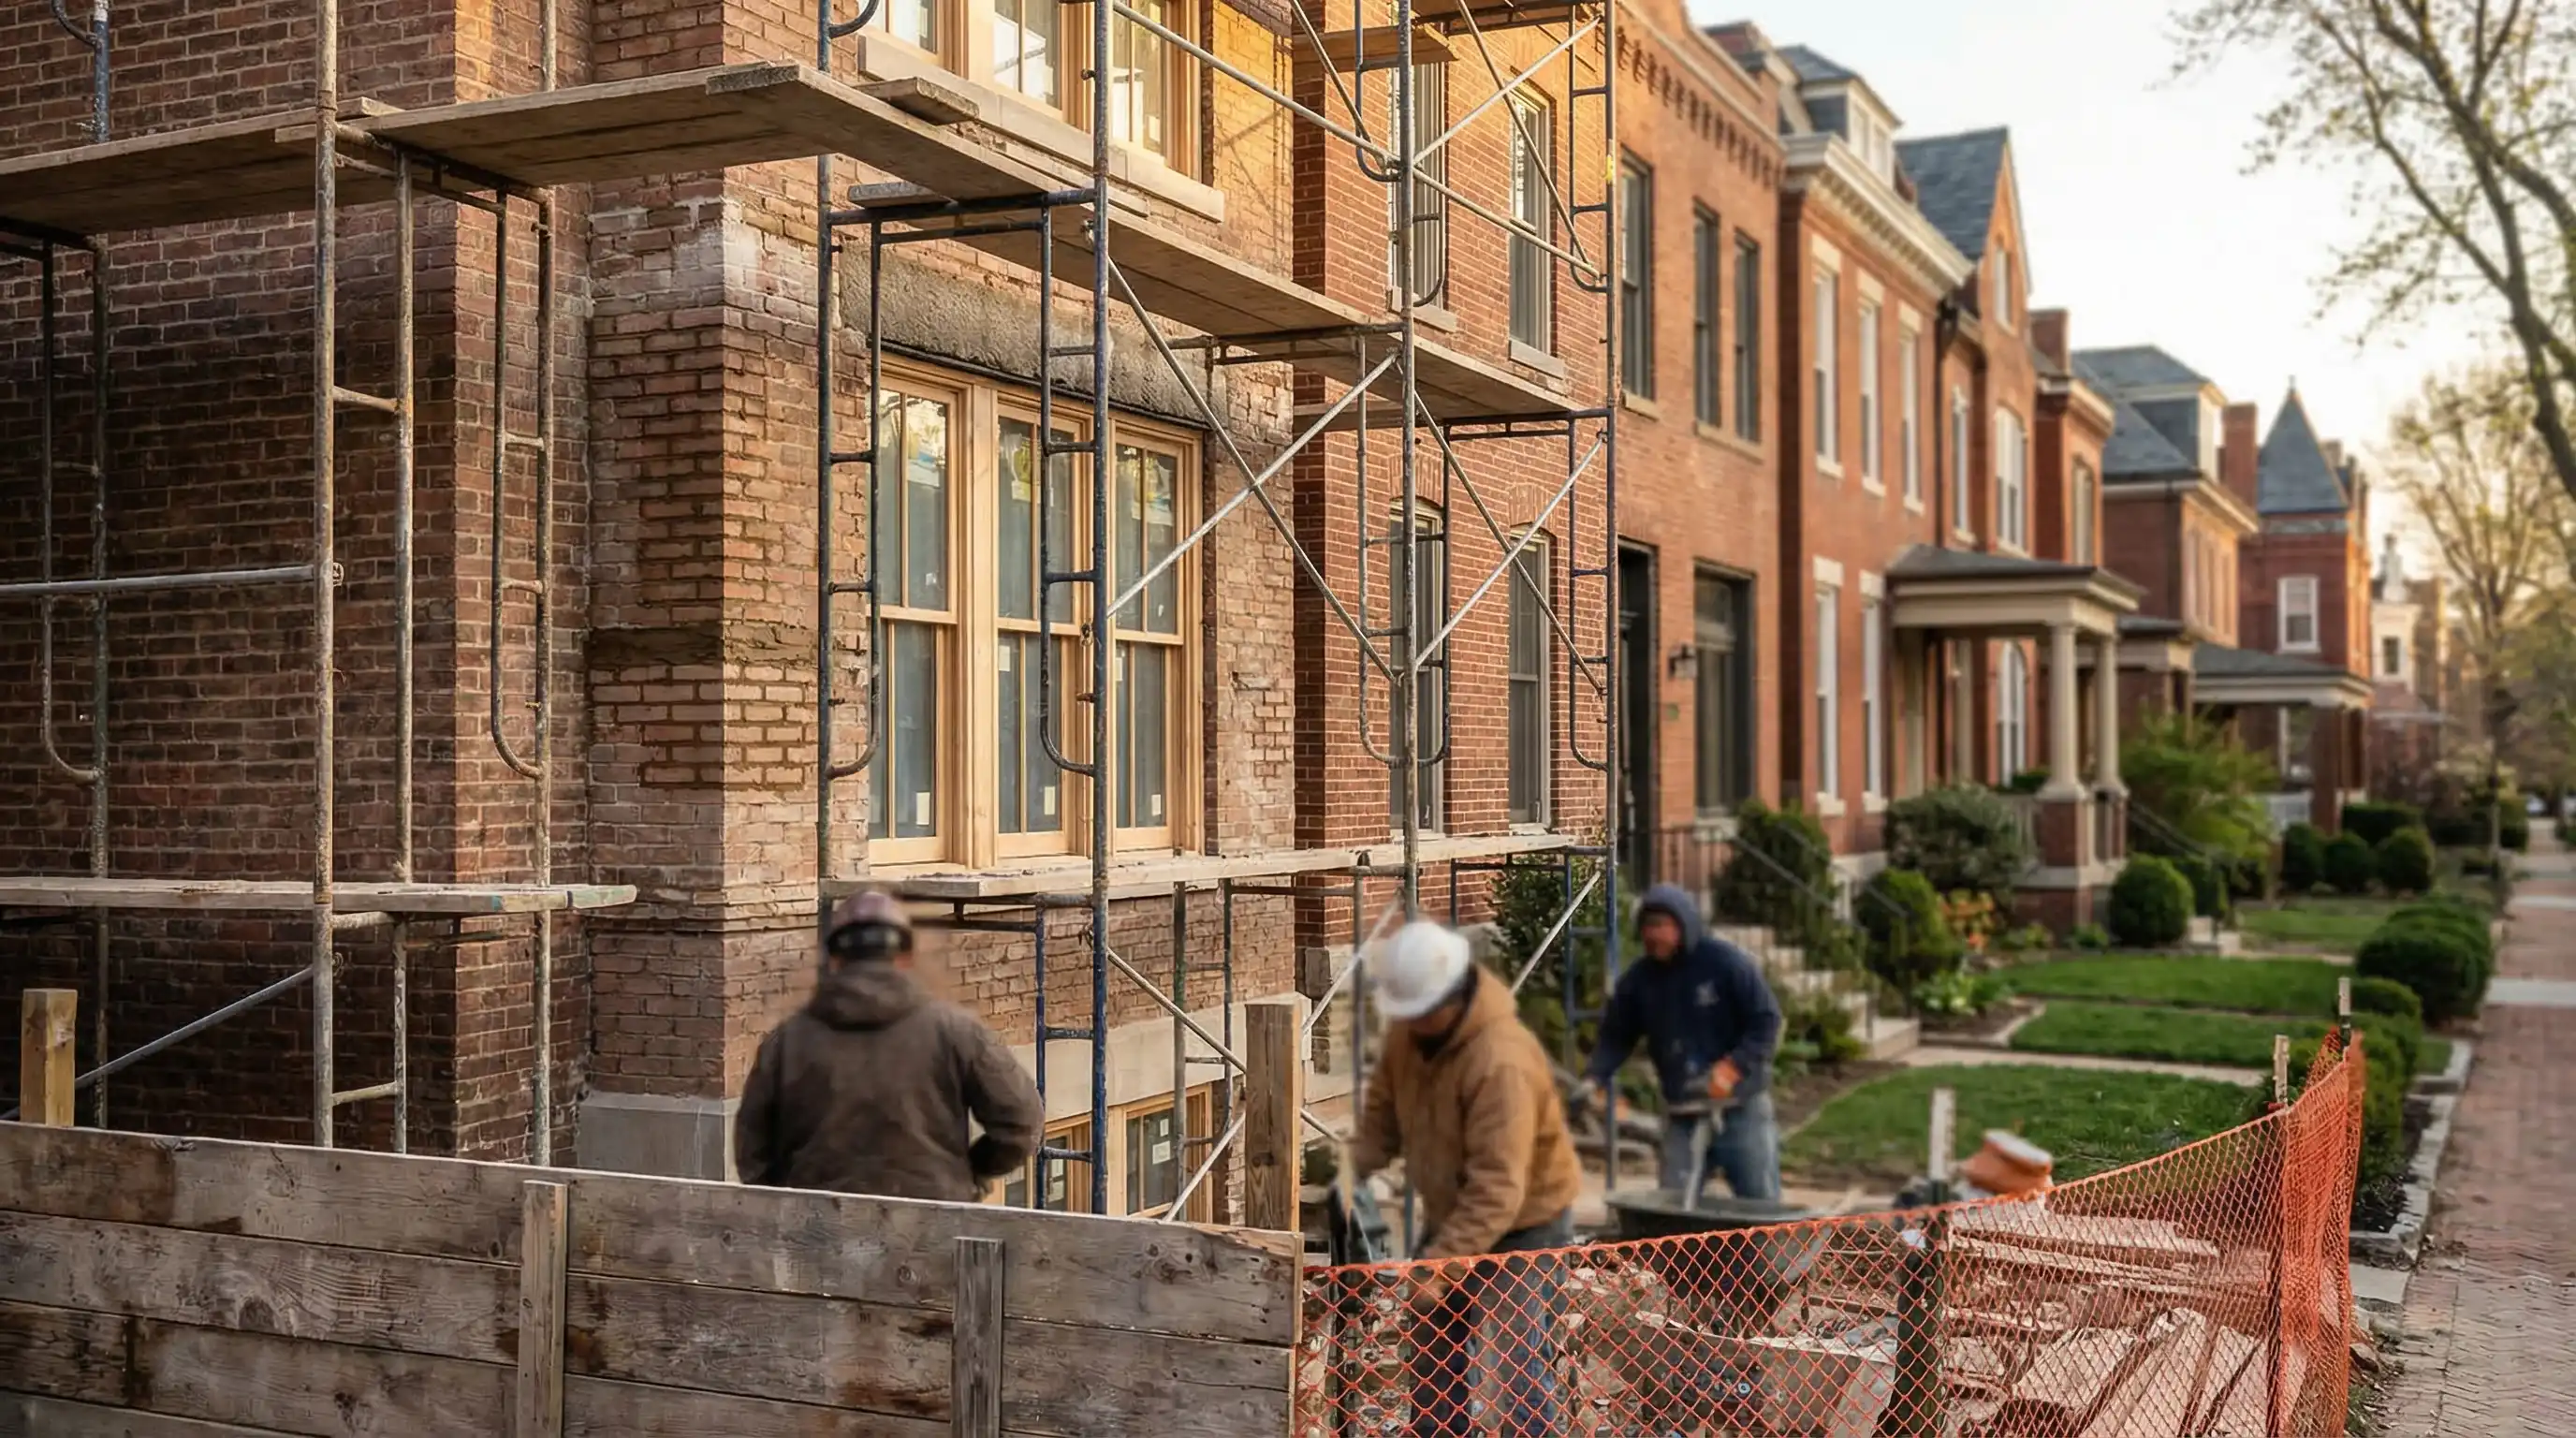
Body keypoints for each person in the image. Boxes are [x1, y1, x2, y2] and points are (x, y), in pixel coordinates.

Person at [1349, 920, 1581, 1438]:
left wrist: (1439, 1269)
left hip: (1525, 1222)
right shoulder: (1410, 1038)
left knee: (1513, 1365)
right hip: (1452, 1212)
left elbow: (1500, 1187)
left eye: (1420, 1013)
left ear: (1451, 1000)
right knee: (1432, 1347)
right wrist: (1346, 1174)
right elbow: (1383, 1120)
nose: (1409, 1023)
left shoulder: (1500, 1061)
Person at [734, 890, 1044, 1202]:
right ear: (905, 957)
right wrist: (969, 1171)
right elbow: (1021, 1126)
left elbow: (753, 1154)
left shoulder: (786, 1042)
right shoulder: (956, 1032)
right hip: (933, 1227)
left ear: (836, 960)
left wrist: (794, 1199)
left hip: (819, 1235)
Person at [1573, 883, 1785, 1202]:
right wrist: (1594, 1078)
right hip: (1682, 1113)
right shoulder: (1639, 982)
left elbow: (1766, 1020)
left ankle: (1771, 1254)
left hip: (1740, 1109)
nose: (1653, 934)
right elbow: (1616, 1036)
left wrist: (1732, 1068)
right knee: (1673, 1207)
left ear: (1684, 925)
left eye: (1661, 925)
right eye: (1647, 926)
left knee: (1760, 1204)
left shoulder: (1724, 964)